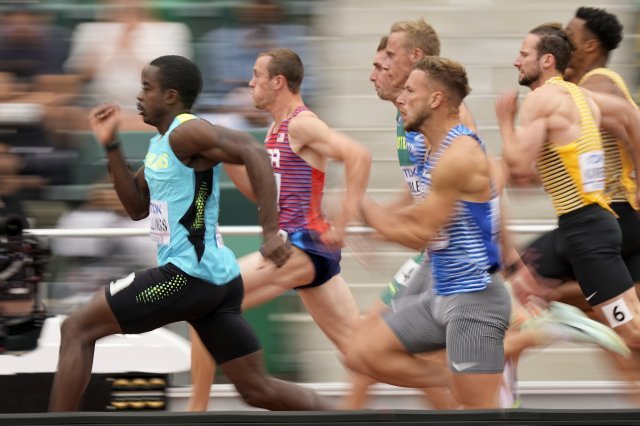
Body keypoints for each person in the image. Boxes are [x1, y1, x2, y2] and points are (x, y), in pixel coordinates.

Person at [48, 54, 332, 412]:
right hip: (215, 283)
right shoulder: (161, 145)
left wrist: (271, 231)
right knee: (259, 390)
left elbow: (253, 151)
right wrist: (111, 145)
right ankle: (340, 418)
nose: (139, 96)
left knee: (76, 328)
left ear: (170, 96)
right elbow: (136, 207)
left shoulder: (187, 131)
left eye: (147, 88)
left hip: (185, 277)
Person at [186, 47, 372, 411]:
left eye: (257, 75)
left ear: (278, 82)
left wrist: (346, 221)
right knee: (362, 352)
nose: (250, 82)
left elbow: (358, 155)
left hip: (303, 245)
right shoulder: (276, 130)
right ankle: (441, 385)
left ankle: (195, 414)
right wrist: (221, 155)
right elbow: (261, 194)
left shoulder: (302, 123)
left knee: (204, 300)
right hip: (300, 250)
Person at [344, 55, 513, 409]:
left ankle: (522, 338)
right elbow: (423, 219)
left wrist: (364, 208)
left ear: (436, 100)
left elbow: (422, 232)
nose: (401, 98)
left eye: (410, 91)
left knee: (478, 415)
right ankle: (452, 378)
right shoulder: (432, 148)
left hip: (475, 301)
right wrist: (373, 223)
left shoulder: (459, 154)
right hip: (441, 296)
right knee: (362, 351)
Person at [510, 9, 640, 403]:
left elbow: (634, 119)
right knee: (625, 335)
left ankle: (561, 321)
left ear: (589, 46)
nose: (564, 38)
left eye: (570, 33)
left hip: (610, 217)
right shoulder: (576, 93)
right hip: (601, 221)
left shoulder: (595, 85)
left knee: (525, 276)